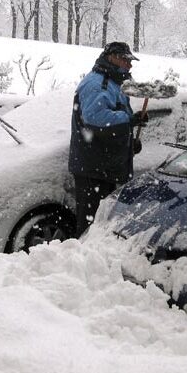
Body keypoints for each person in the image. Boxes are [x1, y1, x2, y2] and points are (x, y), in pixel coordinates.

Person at [68, 41, 148, 237]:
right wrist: (130, 120)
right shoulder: (98, 83)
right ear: (112, 58)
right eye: (125, 60)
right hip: (94, 170)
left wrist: (129, 142)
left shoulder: (112, 83)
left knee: (103, 227)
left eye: (130, 61)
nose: (129, 65)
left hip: (106, 168)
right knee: (91, 228)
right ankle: (82, 264)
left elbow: (112, 124)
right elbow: (96, 120)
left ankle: (95, 262)